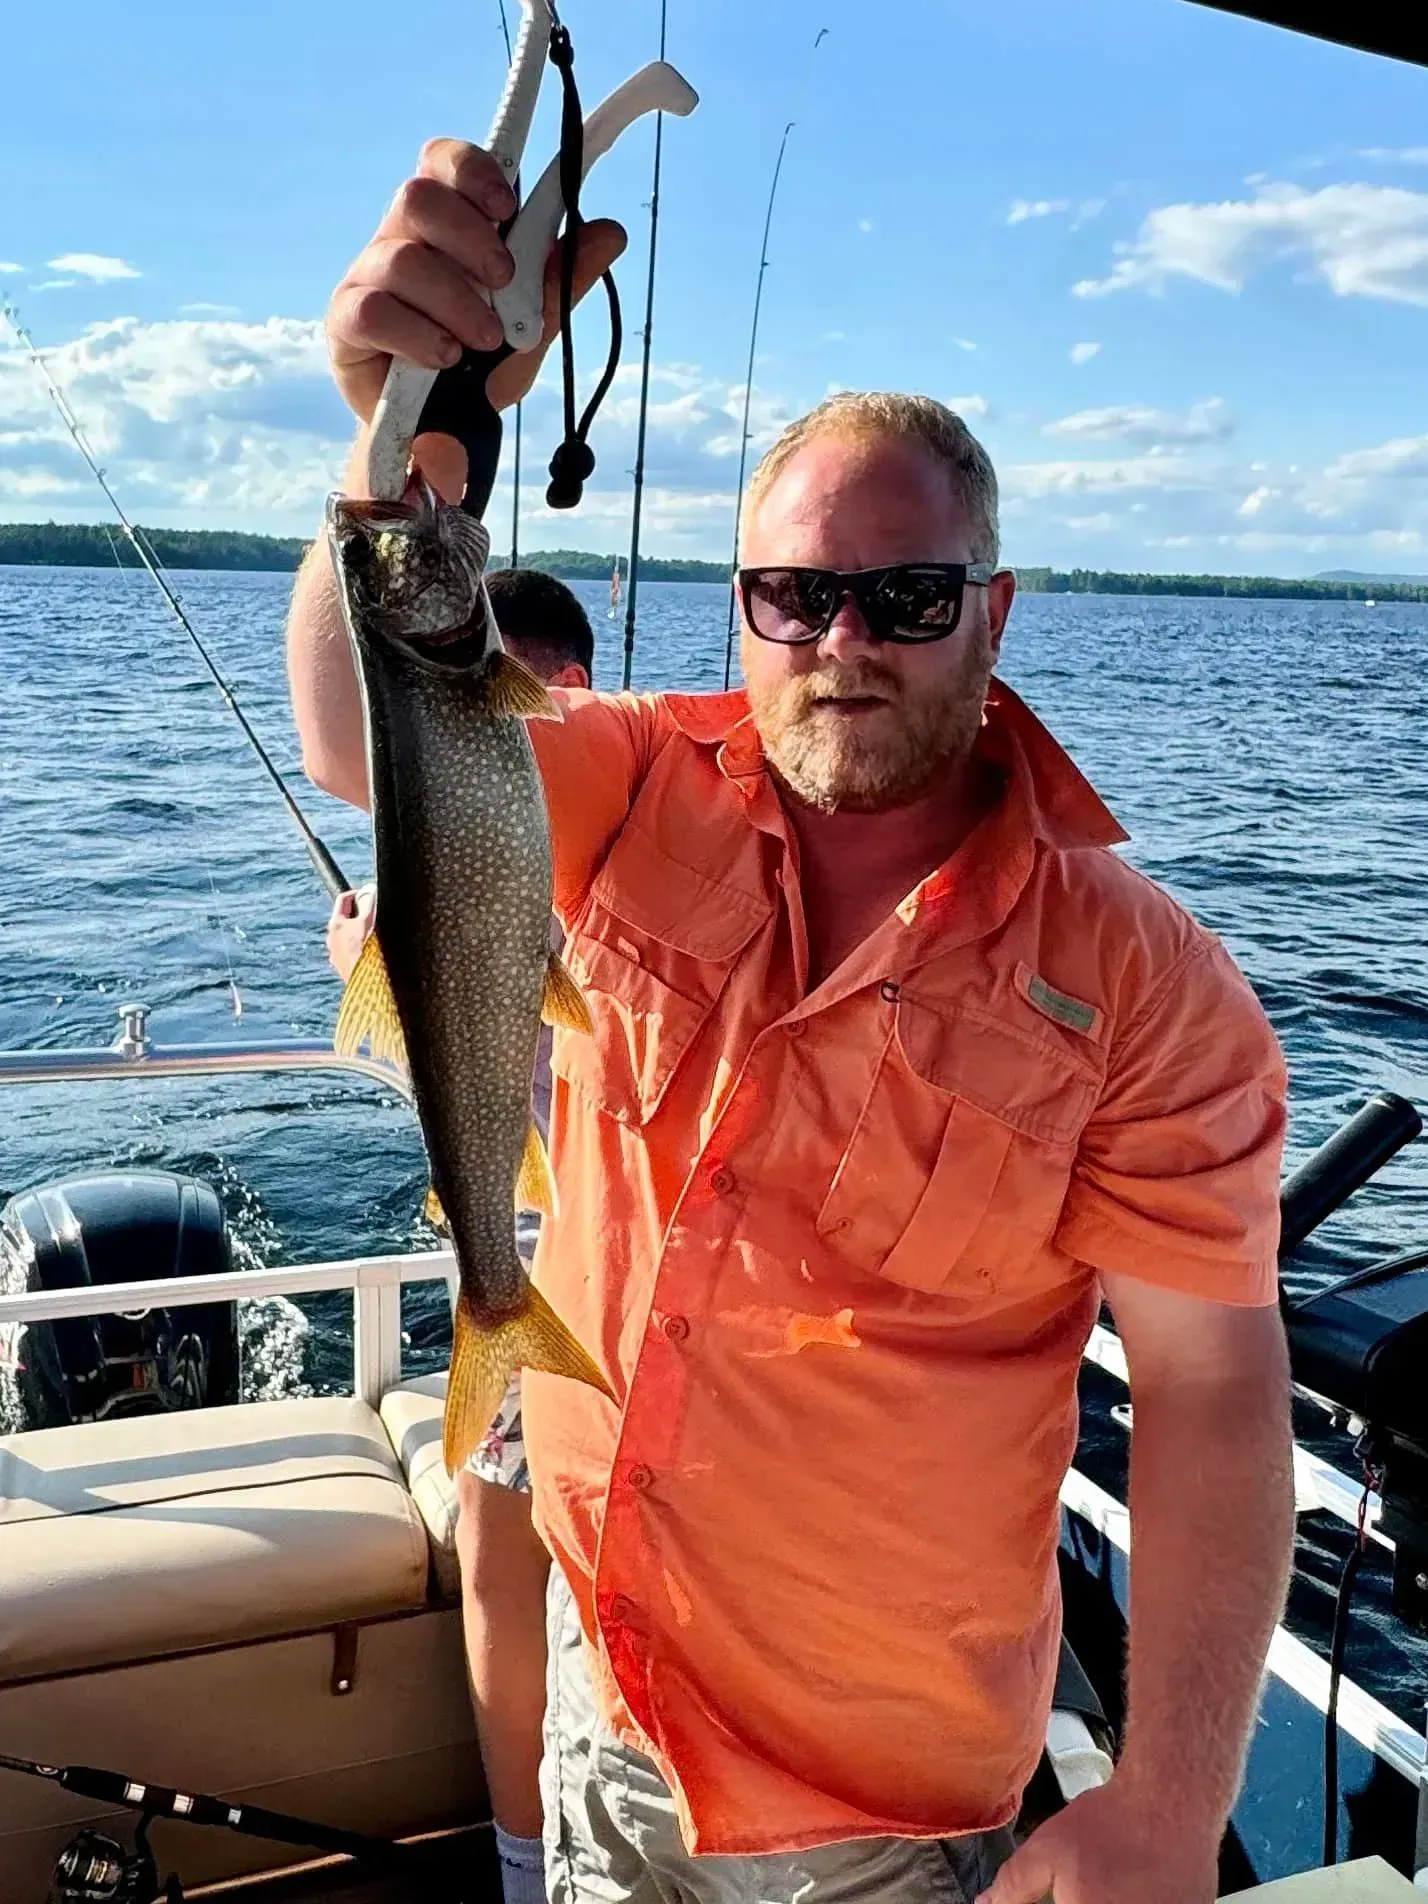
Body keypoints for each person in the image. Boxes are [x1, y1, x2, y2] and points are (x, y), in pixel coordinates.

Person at [286, 137, 1294, 1904]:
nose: (847, 639)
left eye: (905, 597)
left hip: (884, 1823)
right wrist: (402, 445)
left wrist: (1162, 1796)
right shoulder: (632, 780)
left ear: (991, 610)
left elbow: (1214, 1395)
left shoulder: (1148, 986)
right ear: (742, 612)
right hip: (610, 1721)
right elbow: (384, 741)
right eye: (794, 595)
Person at [325, 565, 595, 1904]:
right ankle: (528, 1860)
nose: (541, 717)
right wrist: (379, 970)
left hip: (572, 1262)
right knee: (502, 1571)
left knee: (516, 1578)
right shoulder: (588, 834)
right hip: (522, 1247)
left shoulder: (600, 825)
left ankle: (530, 1867)